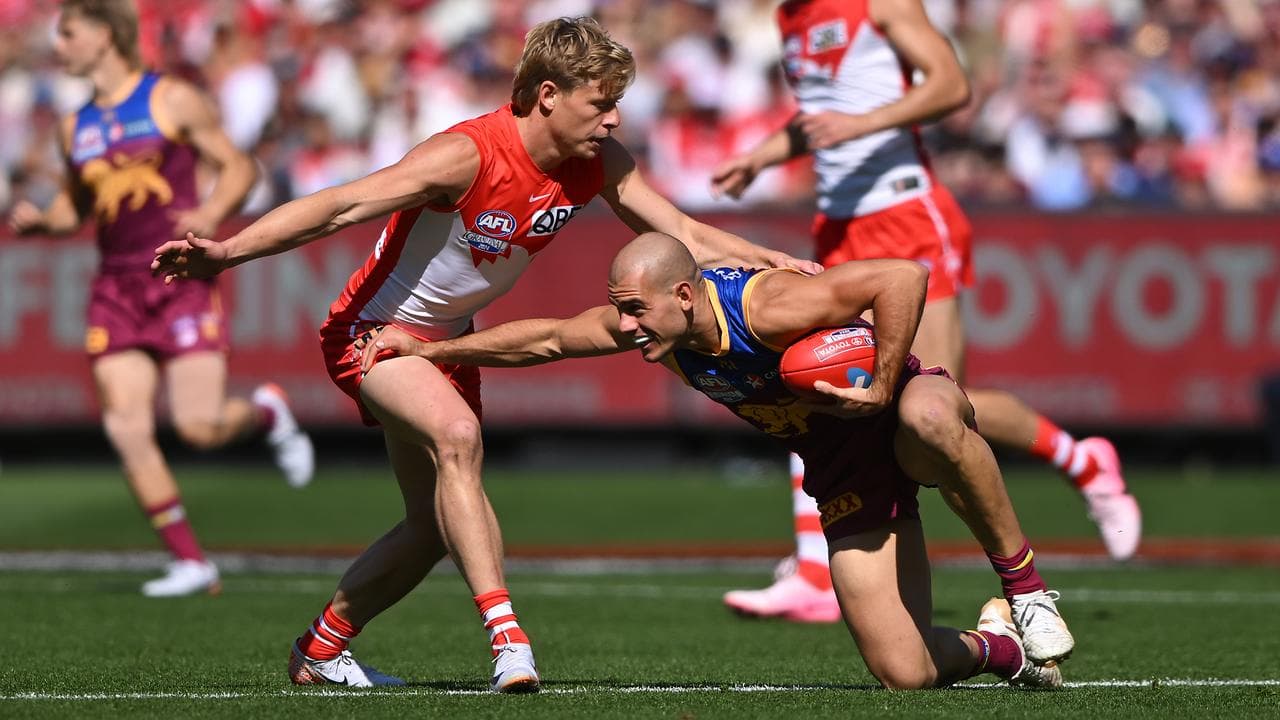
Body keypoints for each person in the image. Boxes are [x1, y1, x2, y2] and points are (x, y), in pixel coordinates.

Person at [152, 17, 819, 693]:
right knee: (459, 436)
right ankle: (509, 640)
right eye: (601, 102)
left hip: (444, 343)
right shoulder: (467, 153)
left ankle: (319, 651)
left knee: (431, 529)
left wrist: (769, 260)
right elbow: (340, 205)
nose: (616, 120)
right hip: (372, 332)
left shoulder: (596, 162)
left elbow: (677, 230)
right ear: (549, 94)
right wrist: (228, 252)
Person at [358, 231, 1074, 690]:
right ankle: (1000, 649)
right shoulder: (657, 323)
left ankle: (1029, 591)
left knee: (928, 414)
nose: (627, 327)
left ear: (682, 293)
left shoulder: (766, 307)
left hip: (894, 416)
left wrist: (884, 381)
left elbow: (902, 278)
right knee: (904, 673)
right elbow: (546, 339)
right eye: (622, 312)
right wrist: (431, 350)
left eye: (637, 311)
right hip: (841, 471)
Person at [708, 0, 1142, 623]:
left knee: (932, 404)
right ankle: (811, 569)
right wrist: (766, 154)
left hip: (905, 215)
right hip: (839, 226)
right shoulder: (789, 19)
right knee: (809, 377)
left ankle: (1083, 461)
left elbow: (951, 86)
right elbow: (822, 117)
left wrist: (861, 126)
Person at [7, 0, 314, 598]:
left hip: (178, 278)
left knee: (198, 426)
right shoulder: (75, 127)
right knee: (126, 428)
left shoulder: (170, 99)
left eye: (69, 33)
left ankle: (267, 411)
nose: (60, 44)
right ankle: (191, 562)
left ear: (104, 35)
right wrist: (44, 223)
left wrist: (210, 212)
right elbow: (79, 205)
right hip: (115, 287)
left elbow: (239, 167)